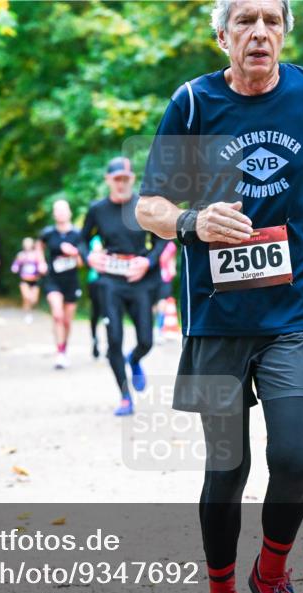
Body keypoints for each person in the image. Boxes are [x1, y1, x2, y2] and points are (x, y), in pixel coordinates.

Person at [135, 0, 303, 593]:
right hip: (216, 316)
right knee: (226, 465)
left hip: (294, 309)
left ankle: (270, 574)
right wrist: (192, 222)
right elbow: (150, 204)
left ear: (285, 31)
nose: (260, 32)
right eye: (245, 20)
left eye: (272, 19)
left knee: (295, 460)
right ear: (221, 36)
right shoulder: (192, 103)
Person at [82, 157, 167, 416]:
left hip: (140, 280)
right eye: (116, 179)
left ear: (132, 179)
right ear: (108, 180)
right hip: (111, 280)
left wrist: (147, 261)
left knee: (146, 340)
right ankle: (125, 397)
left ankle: (135, 359)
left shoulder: (143, 207)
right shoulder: (97, 209)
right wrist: (89, 256)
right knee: (114, 339)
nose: (121, 183)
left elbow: (162, 239)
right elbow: (82, 240)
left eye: (125, 179)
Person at [39, 199, 85, 369]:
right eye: (57, 210)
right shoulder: (48, 233)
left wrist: (73, 253)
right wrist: (41, 262)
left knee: (67, 320)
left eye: (63, 210)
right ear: (54, 214)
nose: (60, 213)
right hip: (53, 280)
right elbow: (39, 246)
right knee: (57, 315)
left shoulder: (78, 235)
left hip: (71, 281)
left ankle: (64, 349)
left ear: (69, 213)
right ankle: (59, 353)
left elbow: (82, 263)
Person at [11, 237, 46, 323]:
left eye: (29, 243)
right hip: (24, 280)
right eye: (26, 244)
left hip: (35, 280)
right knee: (27, 297)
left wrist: (42, 269)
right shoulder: (21, 255)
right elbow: (15, 264)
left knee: (34, 300)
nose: (27, 245)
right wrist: (15, 267)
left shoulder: (37, 255)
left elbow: (42, 265)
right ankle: (27, 315)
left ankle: (29, 312)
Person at [86, 234, 107, 358]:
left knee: (108, 312)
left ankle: (111, 345)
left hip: (110, 280)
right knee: (96, 312)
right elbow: (96, 253)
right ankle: (95, 341)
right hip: (95, 280)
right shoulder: (97, 239)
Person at [155, 240, 178, 339]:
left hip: (161, 278)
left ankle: (157, 330)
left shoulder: (169, 245)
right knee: (160, 305)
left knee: (160, 304)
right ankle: (158, 330)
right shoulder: (170, 245)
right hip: (162, 278)